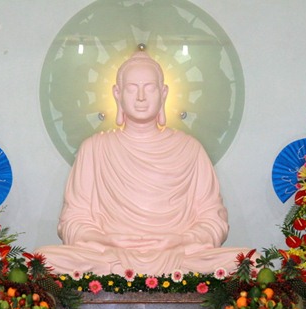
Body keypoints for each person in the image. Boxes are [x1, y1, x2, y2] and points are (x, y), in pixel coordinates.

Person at [35, 51, 246, 276]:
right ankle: (126, 267)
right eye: (132, 88)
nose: (141, 97)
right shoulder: (94, 149)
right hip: (111, 253)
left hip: (175, 254)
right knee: (42, 259)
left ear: (164, 93)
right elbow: (72, 221)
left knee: (248, 261)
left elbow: (213, 220)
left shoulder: (190, 149)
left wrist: (180, 240)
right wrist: (106, 239)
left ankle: (133, 270)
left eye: (150, 88)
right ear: (117, 94)